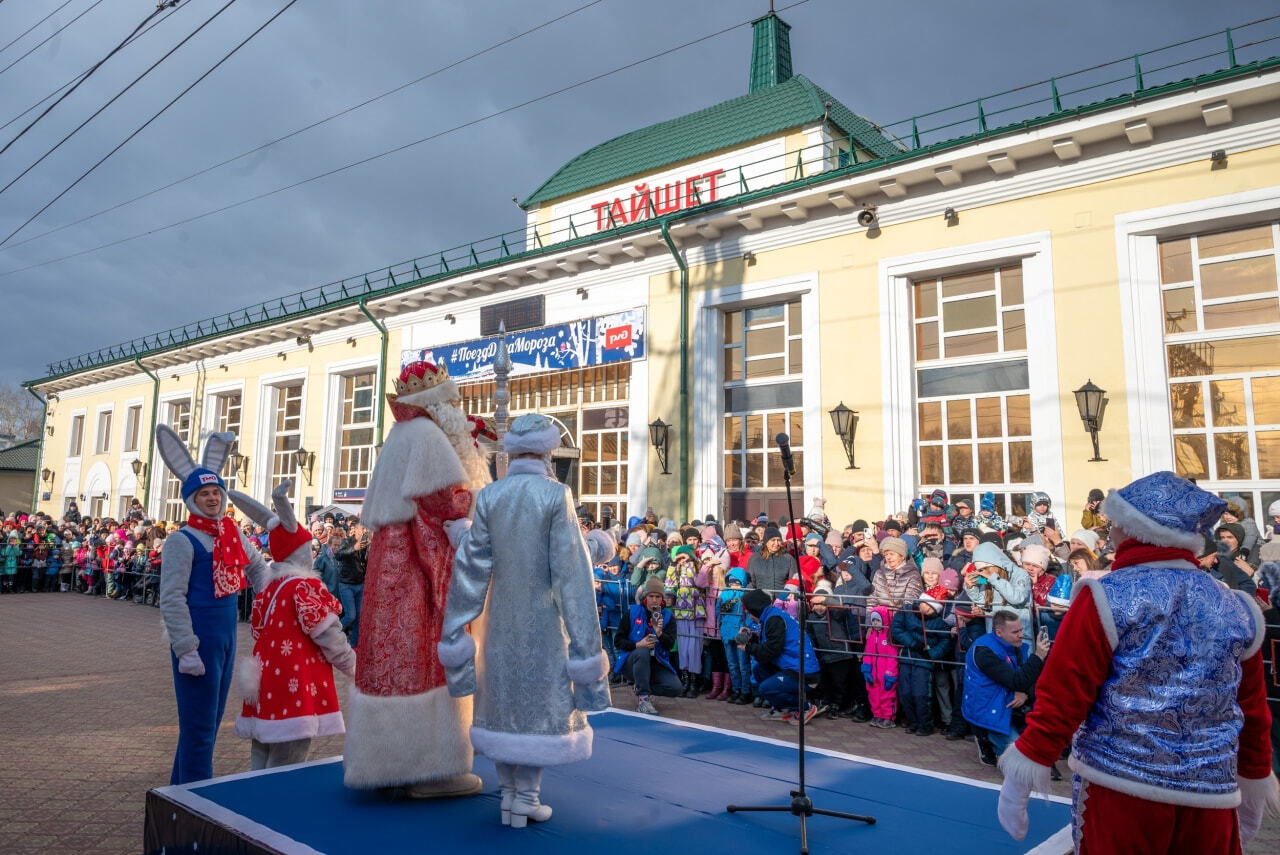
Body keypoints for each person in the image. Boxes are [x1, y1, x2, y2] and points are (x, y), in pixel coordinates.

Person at [996, 472, 1277, 851]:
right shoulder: (1235, 606)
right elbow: (1251, 711)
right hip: (1210, 795)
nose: (1110, 531)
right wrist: (1254, 780)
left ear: (1132, 530)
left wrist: (1022, 774)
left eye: (1115, 523)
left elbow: (1064, 694)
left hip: (1120, 788)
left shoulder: (1105, 596)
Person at [440, 413, 609, 828]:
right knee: (538, 711)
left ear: (511, 452)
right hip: (544, 625)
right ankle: (526, 799)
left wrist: (455, 627)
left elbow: (470, 568)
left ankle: (509, 799)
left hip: (498, 624)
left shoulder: (491, 497)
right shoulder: (556, 496)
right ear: (548, 451)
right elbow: (572, 573)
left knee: (502, 706)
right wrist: (587, 647)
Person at [342, 359, 490, 798]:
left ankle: (386, 764)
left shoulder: (399, 436)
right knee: (426, 655)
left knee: (388, 658)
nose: (458, 410)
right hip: (414, 568)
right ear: (437, 403)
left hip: (391, 563)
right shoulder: (428, 436)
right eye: (452, 400)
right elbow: (443, 505)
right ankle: (433, 768)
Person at [155, 426, 268, 785]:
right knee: (199, 730)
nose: (212, 499)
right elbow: (171, 598)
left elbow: (259, 570)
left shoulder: (232, 534)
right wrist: (185, 647)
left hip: (225, 639)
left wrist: (278, 595)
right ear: (191, 499)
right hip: (199, 642)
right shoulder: (181, 540)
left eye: (215, 492)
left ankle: (177, 793)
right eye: (203, 494)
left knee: (208, 726)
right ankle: (196, 803)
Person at [228, 482, 355, 770]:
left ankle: (255, 795)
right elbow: (329, 635)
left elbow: (252, 562)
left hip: (265, 678)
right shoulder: (304, 587)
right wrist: (354, 666)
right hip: (294, 682)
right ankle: (275, 805)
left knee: (263, 744)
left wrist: (231, 529)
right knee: (289, 754)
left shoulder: (272, 585)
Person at [962, 609, 1049, 767]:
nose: (1021, 635)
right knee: (1021, 761)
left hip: (1007, 700)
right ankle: (984, 738)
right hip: (989, 708)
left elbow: (1029, 679)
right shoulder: (985, 652)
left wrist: (1025, 694)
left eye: (1021, 630)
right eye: (1015, 632)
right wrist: (1038, 656)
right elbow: (1018, 681)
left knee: (1037, 749)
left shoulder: (1014, 645)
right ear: (999, 632)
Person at [739, 587, 822, 724]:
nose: (748, 615)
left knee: (765, 688)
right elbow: (770, 645)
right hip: (791, 666)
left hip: (803, 673)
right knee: (759, 670)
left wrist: (748, 648)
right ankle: (781, 708)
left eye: (748, 612)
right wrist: (752, 637)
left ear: (755, 610)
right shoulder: (772, 615)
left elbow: (770, 652)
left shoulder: (774, 620)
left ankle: (805, 707)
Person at [614, 576, 681, 714]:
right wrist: (638, 644)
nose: (654, 600)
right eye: (651, 596)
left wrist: (660, 633)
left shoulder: (668, 617)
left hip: (656, 663)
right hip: (632, 662)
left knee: (676, 688)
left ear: (662, 599)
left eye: (658, 596)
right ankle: (643, 699)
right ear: (645, 597)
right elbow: (618, 641)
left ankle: (640, 687)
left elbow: (669, 646)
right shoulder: (632, 612)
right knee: (643, 651)